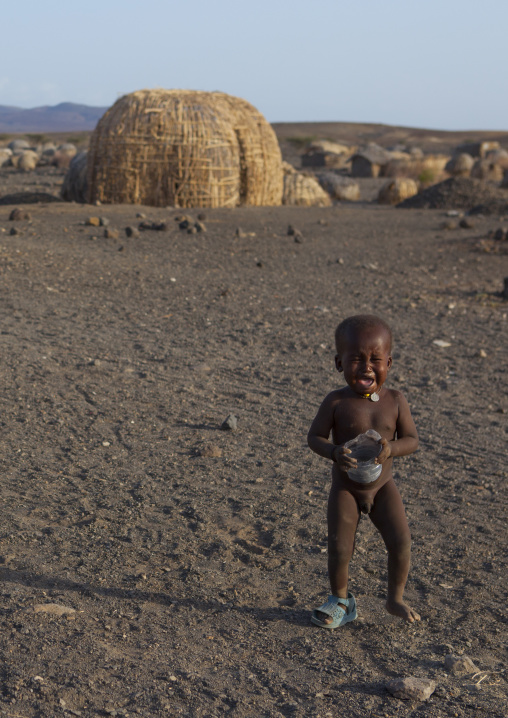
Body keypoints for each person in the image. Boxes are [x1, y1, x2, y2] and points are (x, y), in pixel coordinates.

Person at [307, 314, 420, 629]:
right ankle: (341, 601)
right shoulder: (336, 402)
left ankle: (395, 598)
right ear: (339, 363)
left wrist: (391, 448)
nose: (366, 366)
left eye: (375, 359)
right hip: (346, 488)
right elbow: (314, 437)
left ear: (389, 362)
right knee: (341, 546)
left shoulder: (395, 401)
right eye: (356, 359)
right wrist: (333, 452)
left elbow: (411, 440)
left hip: (383, 487)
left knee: (401, 541)